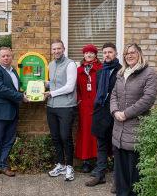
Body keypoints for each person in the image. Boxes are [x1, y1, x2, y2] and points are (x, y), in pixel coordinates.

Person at [110, 42, 157, 196]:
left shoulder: (149, 73)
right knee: (121, 171)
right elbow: (114, 95)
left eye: (132, 52)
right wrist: (115, 111)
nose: (129, 55)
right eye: (126, 53)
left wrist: (126, 113)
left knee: (136, 172)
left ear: (139, 54)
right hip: (119, 130)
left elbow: (148, 99)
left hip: (137, 129)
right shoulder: (121, 73)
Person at [85, 42, 121, 194]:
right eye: (105, 52)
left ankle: (117, 180)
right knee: (101, 146)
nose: (107, 55)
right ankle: (100, 175)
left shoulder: (121, 71)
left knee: (118, 148)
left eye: (110, 52)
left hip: (116, 113)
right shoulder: (99, 72)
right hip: (100, 112)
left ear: (116, 54)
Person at [0, 47, 29, 178]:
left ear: (11, 57)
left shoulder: (14, 71)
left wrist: (25, 93)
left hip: (12, 112)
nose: (6, 58)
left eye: (8, 56)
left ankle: (3, 165)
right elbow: (1, 89)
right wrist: (20, 97)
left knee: (8, 141)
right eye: (3, 56)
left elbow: (15, 89)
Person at [42, 39, 77, 181]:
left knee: (65, 137)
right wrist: (45, 83)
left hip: (66, 107)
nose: (56, 51)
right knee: (56, 137)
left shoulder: (70, 64)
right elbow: (56, 83)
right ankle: (61, 166)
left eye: (58, 48)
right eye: (54, 49)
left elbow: (69, 86)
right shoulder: (51, 64)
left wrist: (51, 93)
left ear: (64, 49)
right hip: (51, 107)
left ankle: (70, 167)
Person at [75, 44, 102, 173]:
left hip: (98, 105)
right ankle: (85, 162)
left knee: (97, 134)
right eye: (86, 53)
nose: (89, 55)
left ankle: (99, 163)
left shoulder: (101, 68)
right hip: (85, 106)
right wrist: (79, 100)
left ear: (95, 55)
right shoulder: (80, 69)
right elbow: (77, 88)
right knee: (85, 134)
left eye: (91, 53)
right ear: (84, 55)